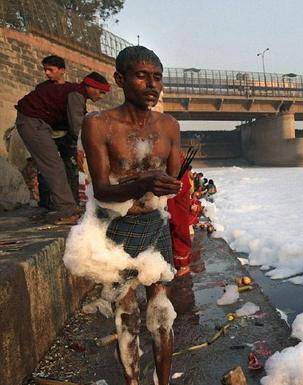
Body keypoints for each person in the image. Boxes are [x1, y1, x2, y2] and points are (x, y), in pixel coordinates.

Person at [81, 45, 181, 385]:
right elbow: (102, 190)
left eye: (157, 78)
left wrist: (170, 186)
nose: (151, 85)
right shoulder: (99, 124)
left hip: (156, 223)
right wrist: (144, 182)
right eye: (142, 76)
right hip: (117, 226)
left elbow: (175, 182)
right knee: (127, 316)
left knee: (162, 315)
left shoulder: (169, 126)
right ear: (120, 79)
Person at [15, 71, 110, 223]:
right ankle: (65, 210)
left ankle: (67, 206)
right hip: (32, 122)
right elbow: (77, 127)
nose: (101, 96)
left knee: (57, 166)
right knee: (53, 165)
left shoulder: (75, 93)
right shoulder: (76, 95)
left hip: (36, 122)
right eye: (100, 92)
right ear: (90, 87)